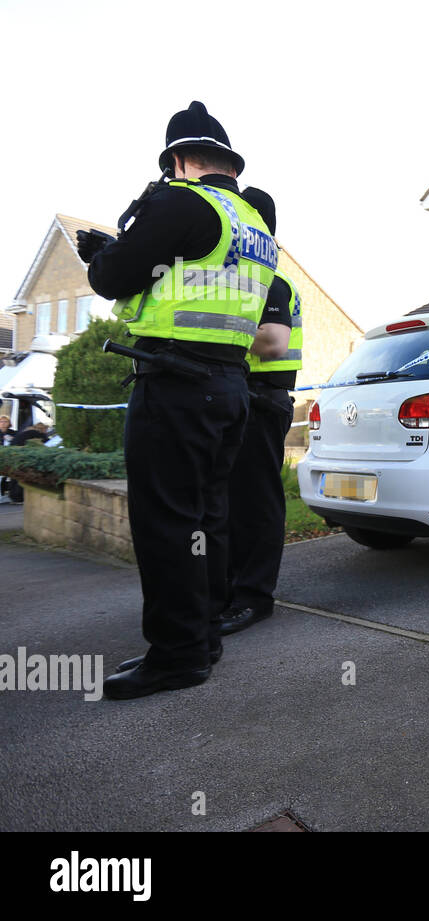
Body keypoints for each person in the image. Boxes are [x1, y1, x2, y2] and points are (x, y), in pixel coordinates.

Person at [77, 101, 280, 700]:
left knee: (167, 525)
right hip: (229, 387)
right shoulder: (255, 224)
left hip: (176, 385)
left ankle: (177, 656)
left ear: (179, 160)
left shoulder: (180, 201)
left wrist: (101, 254)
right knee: (207, 521)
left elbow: (114, 278)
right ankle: (204, 636)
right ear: (226, 163)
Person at [217, 187, 300, 636]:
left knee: (256, 503)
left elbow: (272, 343)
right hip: (242, 397)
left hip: (262, 399)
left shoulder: (270, 282)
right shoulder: (244, 280)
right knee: (232, 502)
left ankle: (254, 598)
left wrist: (211, 336)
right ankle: (233, 589)